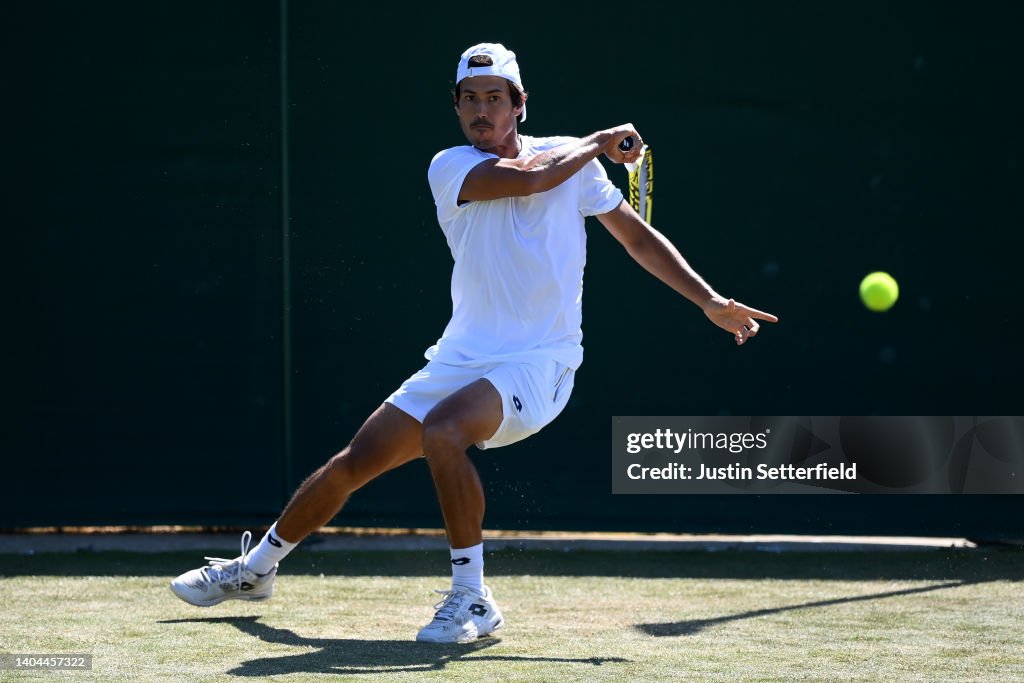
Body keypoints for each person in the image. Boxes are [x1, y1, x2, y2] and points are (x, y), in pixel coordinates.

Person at [170, 42, 778, 644]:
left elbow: (638, 240)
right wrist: (596, 141)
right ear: (457, 108)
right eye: (469, 100)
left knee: (443, 432)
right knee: (354, 463)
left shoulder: (574, 163)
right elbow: (529, 178)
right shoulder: (451, 165)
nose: (481, 112)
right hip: (463, 355)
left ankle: (472, 597)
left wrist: (710, 301)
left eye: (495, 99)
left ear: (519, 105)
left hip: (542, 362)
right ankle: (255, 571)